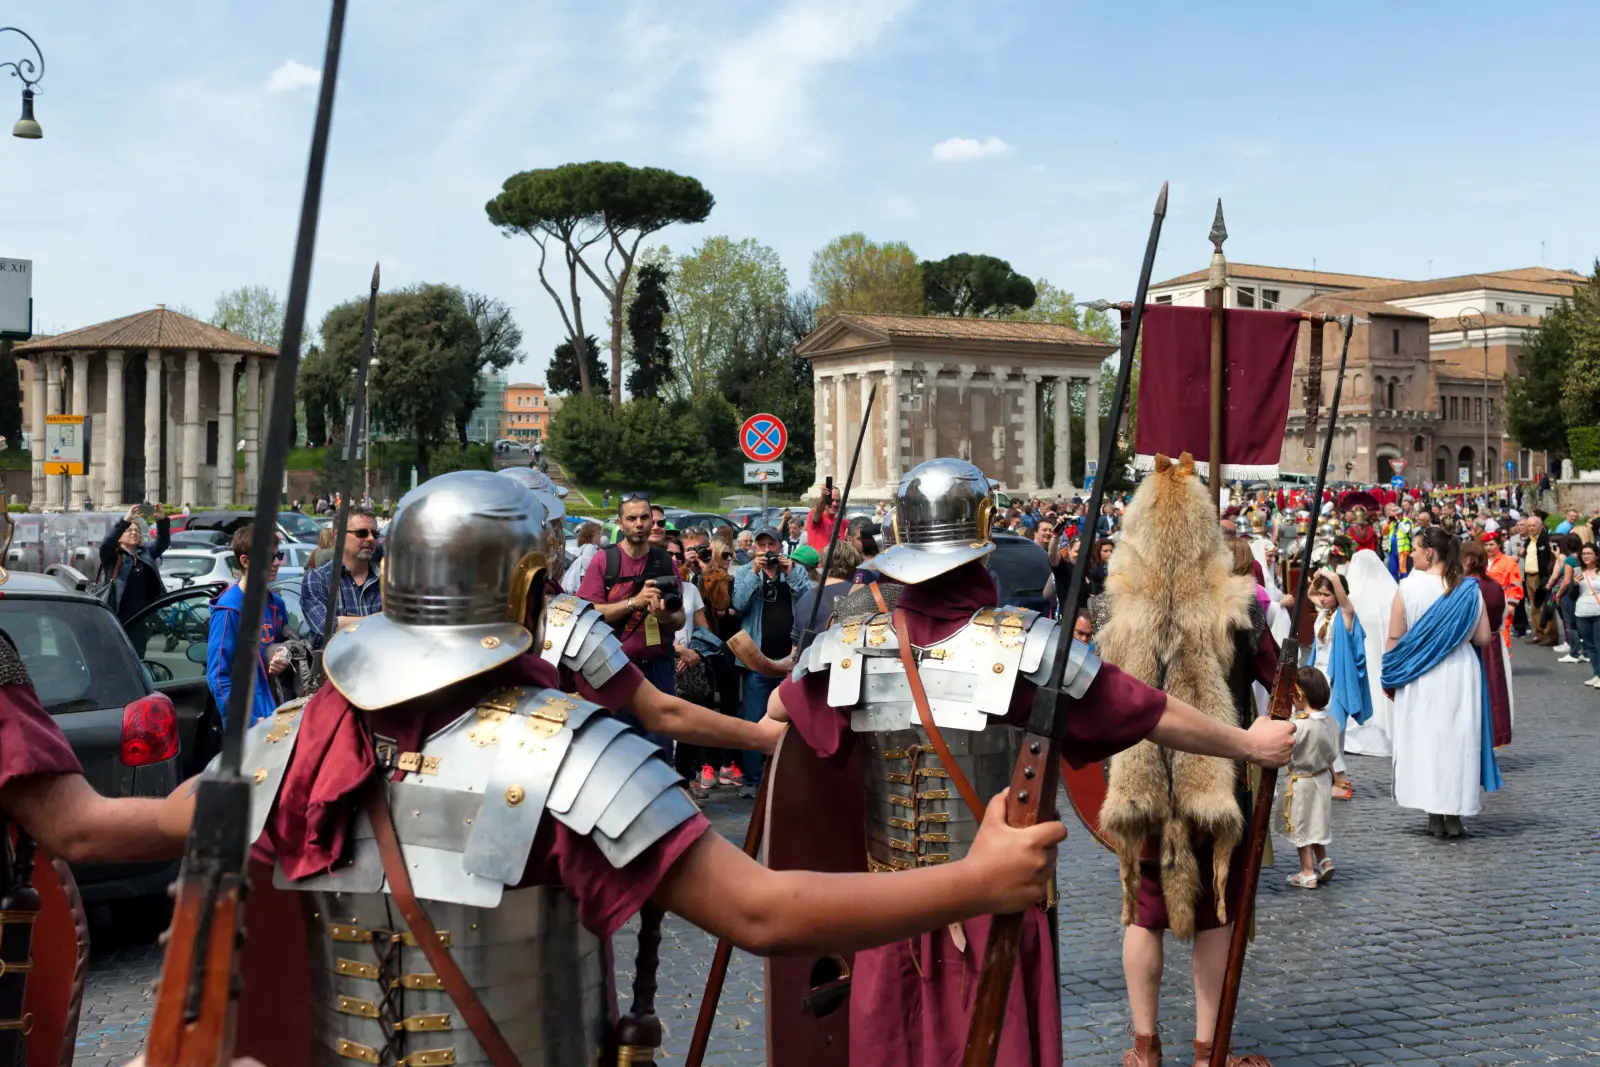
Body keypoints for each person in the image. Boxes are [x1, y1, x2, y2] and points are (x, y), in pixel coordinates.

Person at [227, 469, 1067, 1067]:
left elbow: (129, 829)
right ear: (530, 595)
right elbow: (761, 910)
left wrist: (84, 804)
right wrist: (979, 880)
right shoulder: (571, 755)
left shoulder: (293, 743)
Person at [771, 458, 1294, 1067]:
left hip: (890, 915)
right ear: (983, 539)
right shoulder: (1023, 649)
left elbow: (774, 735)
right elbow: (1151, 712)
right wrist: (1247, 745)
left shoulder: (850, 644)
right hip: (994, 912)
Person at [1381, 526, 1499, 839]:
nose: (1412, 555)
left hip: (1420, 674)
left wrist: (1391, 674)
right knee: (1458, 741)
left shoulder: (1408, 587)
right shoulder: (1468, 589)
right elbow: (1484, 637)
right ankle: (1455, 816)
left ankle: (1434, 815)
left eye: (1416, 550)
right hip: (1460, 670)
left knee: (1427, 740)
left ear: (1430, 552)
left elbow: (1395, 636)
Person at [578, 493, 685, 749]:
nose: (639, 524)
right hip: (612, 670)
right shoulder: (605, 560)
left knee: (659, 752)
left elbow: (679, 618)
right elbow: (585, 614)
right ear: (620, 523)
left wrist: (664, 616)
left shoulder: (664, 562)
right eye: (632, 518)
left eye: (645, 517)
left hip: (658, 670)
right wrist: (632, 603)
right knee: (615, 752)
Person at [731, 527, 809, 797]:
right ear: (754, 548)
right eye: (761, 546)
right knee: (754, 719)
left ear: (780, 547)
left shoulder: (794, 570)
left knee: (794, 719)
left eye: (771, 545)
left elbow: (809, 599)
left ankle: (791, 774)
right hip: (757, 659)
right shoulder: (745, 572)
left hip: (790, 658)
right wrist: (754, 572)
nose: (766, 551)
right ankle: (753, 779)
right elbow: (739, 603)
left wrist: (790, 573)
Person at [205, 524, 291, 728]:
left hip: (281, 714)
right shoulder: (229, 610)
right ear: (245, 561)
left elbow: (289, 645)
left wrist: (283, 657)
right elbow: (218, 676)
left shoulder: (276, 604)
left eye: (279, 556)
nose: (277, 563)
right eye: (269, 558)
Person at [1279, 667, 1340, 889]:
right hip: (1322, 779)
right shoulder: (1331, 723)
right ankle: (1324, 861)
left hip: (1302, 781)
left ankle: (1307, 873)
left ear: (1300, 696)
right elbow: (1333, 754)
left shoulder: (1299, 725)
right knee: (1317, 822)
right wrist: (1333, 774)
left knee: (1301, 826)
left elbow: (1287, 752)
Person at [299, 504, 382, 649]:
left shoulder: (388, 581)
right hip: (337, 670)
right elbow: (324, 626)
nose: (371, 539)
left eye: (375, 534)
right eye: (361, 533)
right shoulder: (317, 580)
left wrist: (347, 622)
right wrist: (382, 622)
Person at [1462, 539, 1514, 746]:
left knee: (1474, 694)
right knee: (1496, 692)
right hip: (1495, 642)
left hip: (1471, 645)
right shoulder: (1496, 586)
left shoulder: (1466, 587)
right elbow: (1501, 620)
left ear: (1467, 561)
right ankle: (1495, 735)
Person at [96, 504, 170, 622]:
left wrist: (161, 521)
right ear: (119, 537)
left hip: (142, 617)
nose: (134, 533)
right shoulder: (113, 556)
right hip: (117, 617)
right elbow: (106, 545)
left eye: (136, 530)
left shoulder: (145, 553)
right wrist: (126, 520)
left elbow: (162, 543)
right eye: (129, 530)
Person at [791, 539, 862, 647]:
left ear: (823, 563)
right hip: (850, 661)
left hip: (811, 662)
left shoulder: (803, 600)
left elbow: (796, 648)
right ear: (854, 565)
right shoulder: (863, 595)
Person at [1572, 542, 1600, 688]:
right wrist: (1574, 584)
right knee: (1589, 646)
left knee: (1599, 644)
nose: (1586, 556)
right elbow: (1572, 595)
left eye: (1589, 553)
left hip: (1598, 612)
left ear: (1596, 555)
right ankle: (1597, 674)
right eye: (1583, 554)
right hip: (1582, 612)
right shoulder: (1578, 571)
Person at [804, 483, 842, 552]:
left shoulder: (842, 522)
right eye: (831, 500)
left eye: (838, 501)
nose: (834, 504)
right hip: (818, 562)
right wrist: (823, 497)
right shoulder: (817, 516)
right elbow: (817, 511)